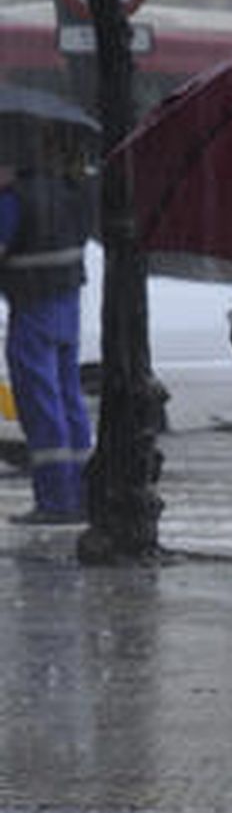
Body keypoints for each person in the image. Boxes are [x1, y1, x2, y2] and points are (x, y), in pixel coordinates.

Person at [0, 135, 95, 525]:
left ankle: (56, 500)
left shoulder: (13, 199)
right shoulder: (70, 190)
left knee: (40, 402)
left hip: (33, 306)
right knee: (68, 397)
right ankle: (81, 494)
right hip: (66, 303)